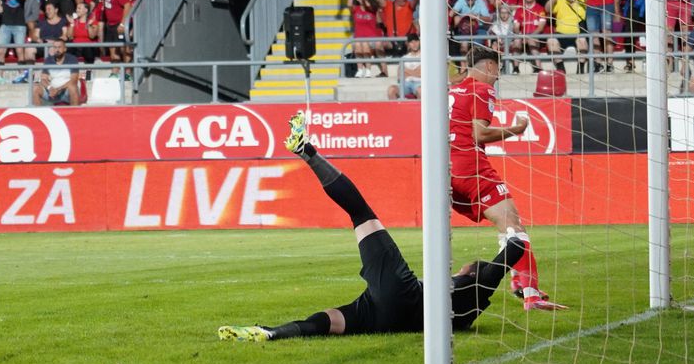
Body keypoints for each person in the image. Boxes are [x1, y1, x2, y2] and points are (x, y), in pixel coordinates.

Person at [219, 112, 522, 341]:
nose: (458, 269)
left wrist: (515, 237)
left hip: (403, 296)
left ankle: (306, 151)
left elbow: (504, 260)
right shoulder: (468, 310)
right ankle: (271, 333)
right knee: (333, 321)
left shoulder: (473, 287)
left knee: (360, 212)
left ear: (471, 272)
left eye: (466, 267)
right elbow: (499, 267)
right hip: (391, 317)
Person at [448, 45, 565, 311]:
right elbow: (480, 134)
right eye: (497, 69)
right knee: (513, 225)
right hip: (471, 167)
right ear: (489, 66)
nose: (497, 76)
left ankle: (518, 283)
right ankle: (531, 294)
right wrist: (518, 129)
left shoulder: (451, 90)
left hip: (446, 173)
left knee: (505, 226)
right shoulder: (482, 89)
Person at [33, 38, 82, 106]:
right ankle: (39, 114)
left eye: (59, 47)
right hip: (52, 92)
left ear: (65, 49)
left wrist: (58, 89)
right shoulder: (48, 60)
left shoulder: (72, 59)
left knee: (73, 87)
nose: (57, 50)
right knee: (35, 88)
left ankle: (74, 114)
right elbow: (43, 79)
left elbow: (74, 80)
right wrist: (50, 88)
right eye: (55, 47)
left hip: (66, 92)